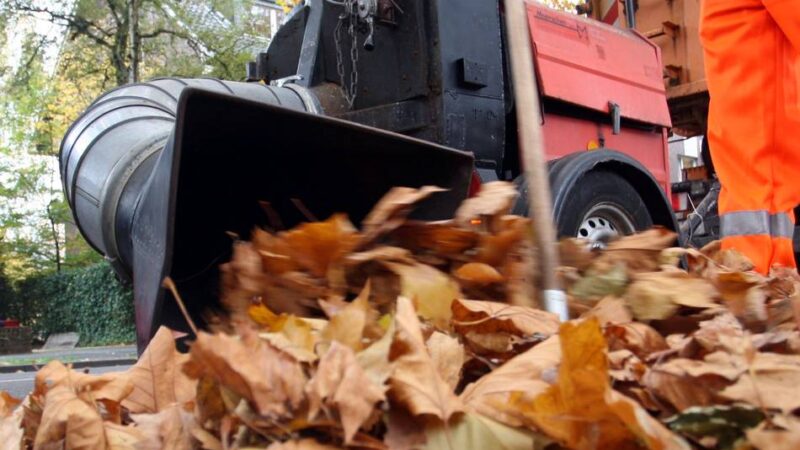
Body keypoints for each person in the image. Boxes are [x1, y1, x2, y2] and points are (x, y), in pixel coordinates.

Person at [700, 0, 800, 274]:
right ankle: (759, 290)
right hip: (760, 125)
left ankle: (761, 288)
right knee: (758, 203)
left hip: (756, 123)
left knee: (760, 205)